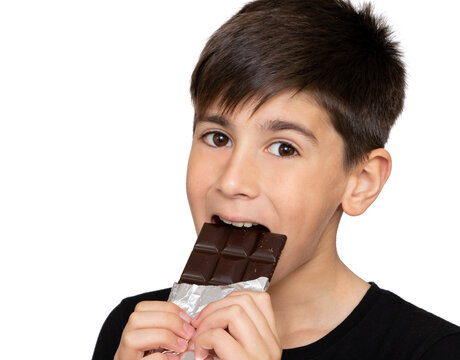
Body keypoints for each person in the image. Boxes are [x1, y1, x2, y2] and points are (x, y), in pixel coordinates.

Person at [93, 0, 460, 359]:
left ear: (361, 182)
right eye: (218, 138)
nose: (233, 181)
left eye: (284, 148)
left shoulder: (432, 350)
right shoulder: (135, 332)